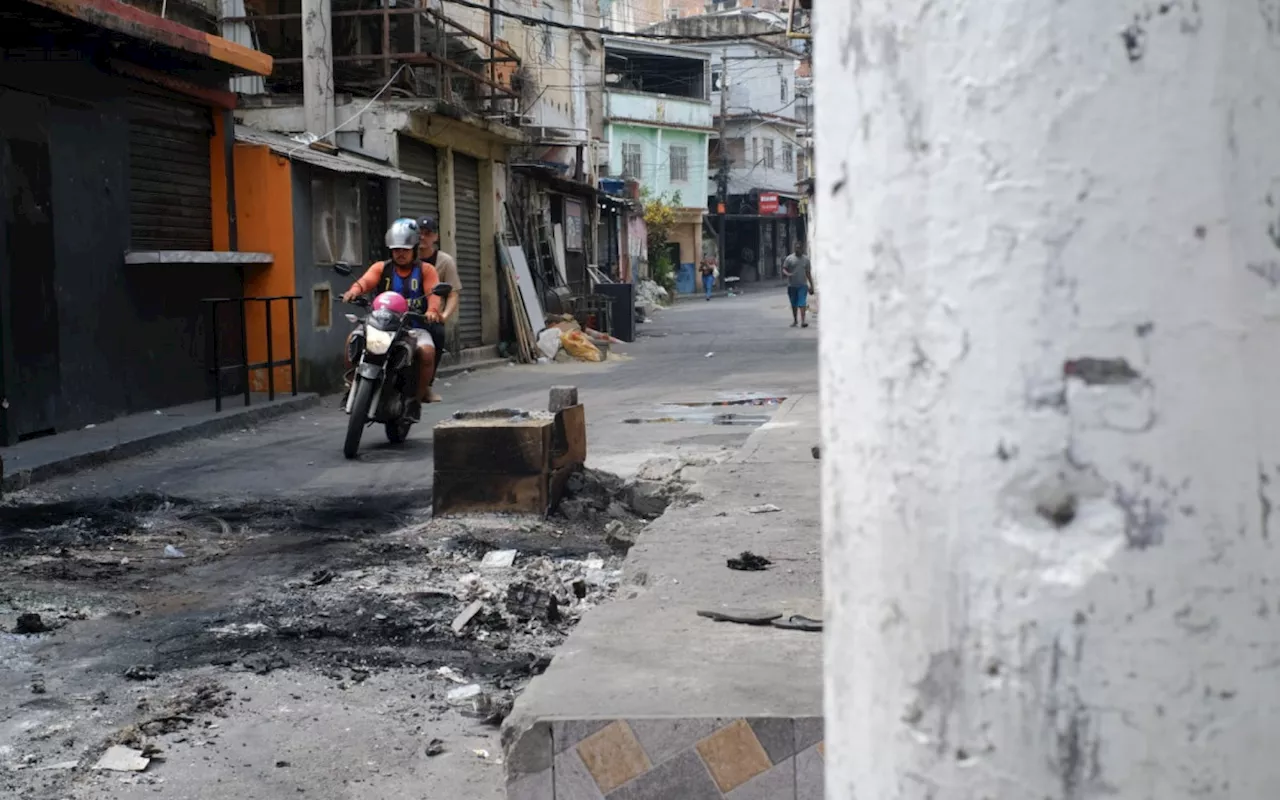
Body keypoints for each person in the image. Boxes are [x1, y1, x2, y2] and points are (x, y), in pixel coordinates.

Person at [341, 218, 443, 420]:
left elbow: (434, 294)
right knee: (352, 339)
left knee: (428, 352)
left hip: (412, 328)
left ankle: (415, 400)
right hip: (379, 325)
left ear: (414, 249)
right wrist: (353, 291)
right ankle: (352, 383)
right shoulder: (381, 268)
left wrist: (432, 310)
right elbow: (364, 282)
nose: (400, 253)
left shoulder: (426, 270)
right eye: (396, 249)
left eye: (405, 249)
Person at [418, 216, 461, 403]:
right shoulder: (403, 256)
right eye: (418, 233)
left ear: (435, 237)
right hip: (401, 313)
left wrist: (443, 315)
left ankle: (427, 385)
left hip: (430, 316)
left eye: (427, 234)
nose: (422, 238)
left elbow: (452, 294)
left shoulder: (444, 261)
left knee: (437, 334)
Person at [781, 241, 815, 328]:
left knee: (802, 303)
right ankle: (795, 320)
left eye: (799, 248)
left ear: (802, 249)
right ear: (794, 248)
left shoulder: (806, 260)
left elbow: (808, 273)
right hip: (792, 285)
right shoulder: (789, 259)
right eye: (796, 248)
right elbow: (784, 269)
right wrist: (787, 274)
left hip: (802, 285)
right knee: (794, 304)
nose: (798, 249)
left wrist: (811, 286)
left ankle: (803, 321)